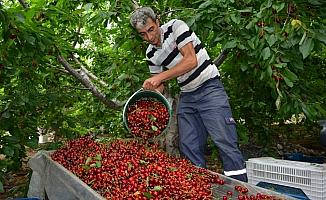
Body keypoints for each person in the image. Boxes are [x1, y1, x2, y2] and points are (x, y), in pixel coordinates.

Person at [130, 7, 248, 182]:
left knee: (224, 141)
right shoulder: (151, 53)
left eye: (151, 30)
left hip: (209, 87)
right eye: (143, 34)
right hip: (187, 94)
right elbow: (159, 86)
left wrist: (160, 77)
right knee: (188, 145)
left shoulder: (176, 27)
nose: (149, 37)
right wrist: (150, 91)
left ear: (157, 22)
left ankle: (241, 190)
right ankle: (200, 188)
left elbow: (190, 61)